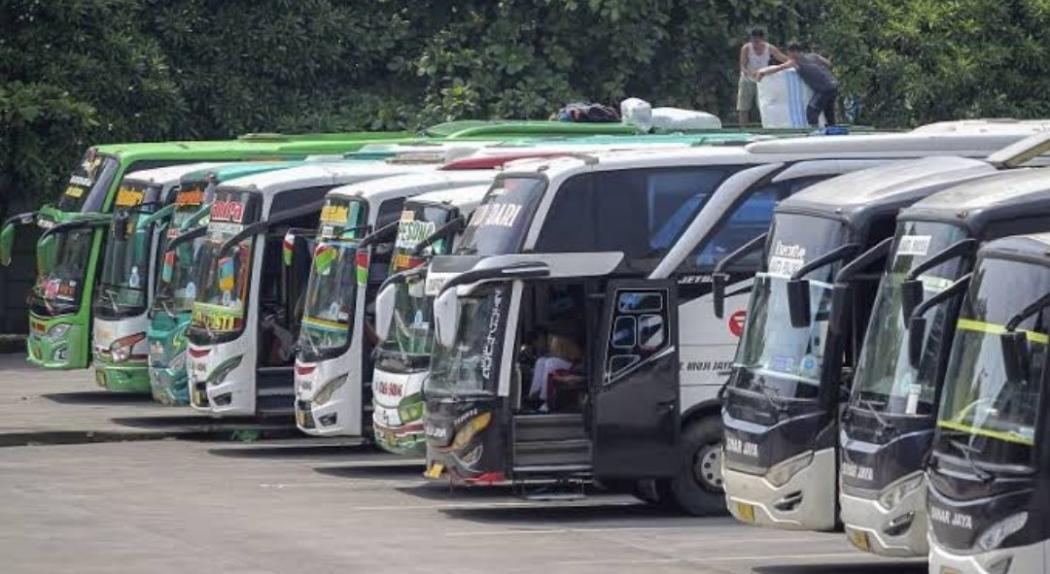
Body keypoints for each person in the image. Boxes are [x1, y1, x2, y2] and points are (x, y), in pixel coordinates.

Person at [758, 41, 839, 127]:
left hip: (824, 89)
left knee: (812, 110)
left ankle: (815, 132)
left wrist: (762, 73)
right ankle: (832, 130)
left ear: (791, 52)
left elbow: (780, 68)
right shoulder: (813, 56)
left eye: (789, 53)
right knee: (828, 112)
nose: (789, 56)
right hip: (833, 84)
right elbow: (828, 63)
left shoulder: (795, 62)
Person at [737, 27, 787, 126]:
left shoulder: (769, 48)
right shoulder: (746, 48)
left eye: (757, 41)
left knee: (763, 106)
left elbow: (783, 58)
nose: (755, 44)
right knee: (743, 107)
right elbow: (742, 66)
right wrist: (751, 73)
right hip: (747, 79)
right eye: (753, 41)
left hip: (762, 81)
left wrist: (794, 62)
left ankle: (765, 127)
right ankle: (743, 129)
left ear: (762, 39)